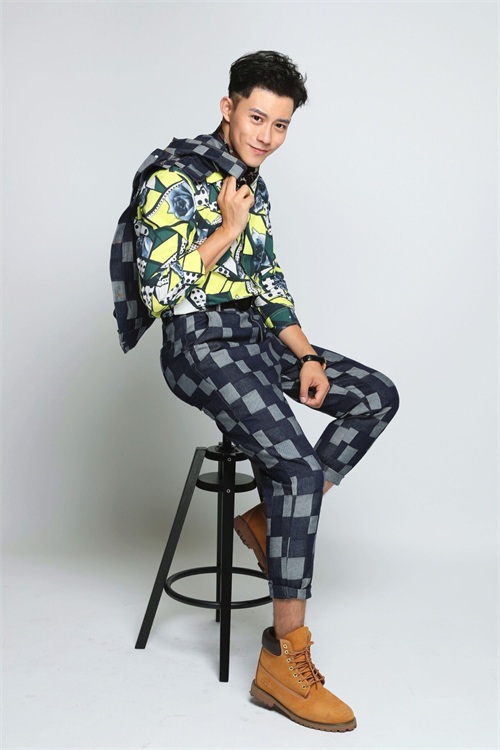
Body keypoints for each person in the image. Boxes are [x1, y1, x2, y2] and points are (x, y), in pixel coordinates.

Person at [133, 50, 399, 732]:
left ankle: (264, 520)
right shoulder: (171, 177)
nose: (267, 136)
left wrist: (304, 354)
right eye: (257, 118)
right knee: (299, 472)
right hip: (197, 346)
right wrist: (226, 228)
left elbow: (269, 281)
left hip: (255, 340)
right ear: (228, 107)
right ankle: (284, 661)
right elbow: (157, 292)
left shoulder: (256, 186)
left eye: (280, 125)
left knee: (375, 396)